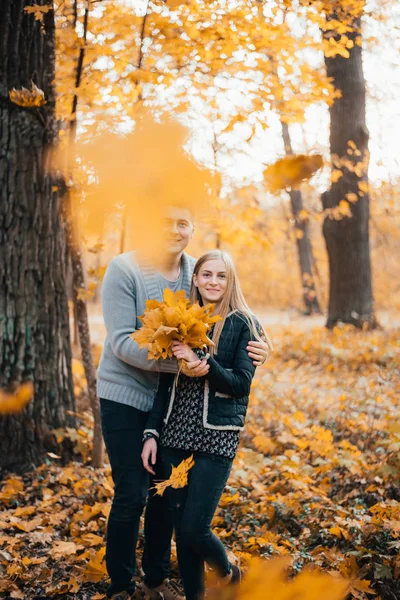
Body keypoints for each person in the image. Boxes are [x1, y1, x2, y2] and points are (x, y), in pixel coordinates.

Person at [97, 207, 270, 600]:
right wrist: (186, 360)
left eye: (182, 223)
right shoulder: (124, 269)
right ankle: (121, 585)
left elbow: (230, 321)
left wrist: (261, 350)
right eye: (164, 220)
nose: (173, 231)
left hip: (177, 405)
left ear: (191, 229)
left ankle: (155, 578)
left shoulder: (199, 268)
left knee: (165, 496)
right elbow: (122, 342)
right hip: (128, 394)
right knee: (132, 493)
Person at [141, 250, 271, 600]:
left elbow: (241, 383)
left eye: (221, 276)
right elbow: (164, 385)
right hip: (174, 436)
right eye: (207, 275)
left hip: (217, 438)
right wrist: (152, 432)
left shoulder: (244, 323)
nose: (214, 282)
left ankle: (228, 572)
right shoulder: (178, 319)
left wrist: (205, 364)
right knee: (180, 527)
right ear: (195, 279)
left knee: (195, 529)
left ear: (231, 281)